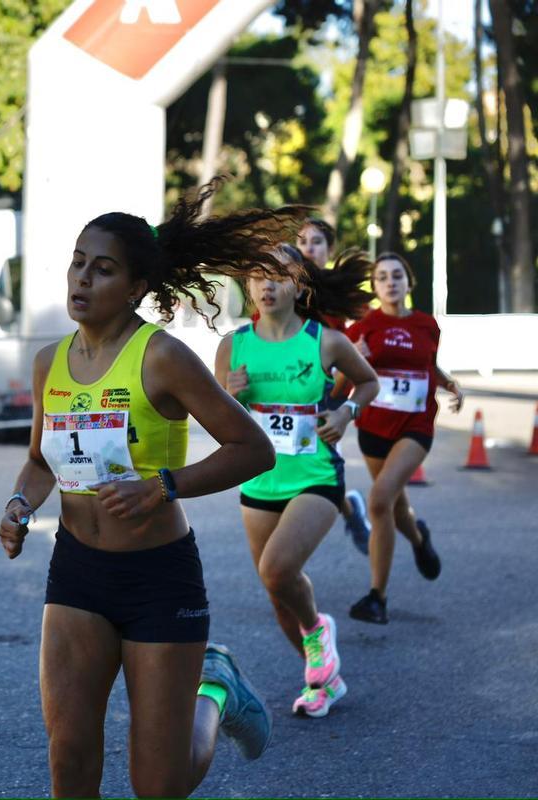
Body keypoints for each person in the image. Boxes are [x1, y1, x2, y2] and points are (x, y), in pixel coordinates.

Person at [0, 182, 306, 798]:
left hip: (158, 578)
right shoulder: (48, 364)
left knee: (159, 785)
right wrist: (19, 505)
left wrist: (163, 486)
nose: (81, 279)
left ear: (136, 288)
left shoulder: (161, 356)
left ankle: (215, 690)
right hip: (77, 574)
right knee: (70, 759)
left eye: (102, 269)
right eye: (78, 262)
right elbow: (40, 460)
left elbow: (253, 448)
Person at [215, 245, 379, 719]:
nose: (267, 284)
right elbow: (219, 422)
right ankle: (323, 680)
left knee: (276, 569)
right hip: (259, 478)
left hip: (316, 474)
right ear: (247, 286)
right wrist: (230, 396)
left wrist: (347, 411)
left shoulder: (323, 341)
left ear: (300, 286)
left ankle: (317, 628)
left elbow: (367, 383)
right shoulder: (233, 345)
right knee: (276, 590)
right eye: (257, 275)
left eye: (279, 275)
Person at [343, 252, 463, 625]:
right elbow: (342, 382)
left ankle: (377, 598)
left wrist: (449, 383)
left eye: (397, 275)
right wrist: (356, 358)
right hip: (373, 427)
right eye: (382, 277)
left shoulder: (427, 325)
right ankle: (418, 537)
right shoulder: (363, 326)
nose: (390, 282)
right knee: (394, 506)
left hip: (416, 425)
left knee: (378, 500)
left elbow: (427, 365)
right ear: (375, 287)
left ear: (408, 283)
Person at [294, 217, 375, 552]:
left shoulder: (340, 289)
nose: (308, 248)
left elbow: (366, 328)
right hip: (286, 389)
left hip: (328, 389)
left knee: (319, 466)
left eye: (316, 242)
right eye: (302, 242)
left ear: (329, 249)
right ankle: (349, 505)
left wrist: (357, 351)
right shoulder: (282, 284)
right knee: (300, 465)